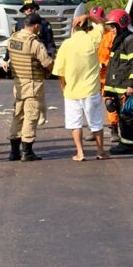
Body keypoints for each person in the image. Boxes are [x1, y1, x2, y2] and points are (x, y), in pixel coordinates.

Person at [52, 9, 106, 162]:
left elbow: (59, 72)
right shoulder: (92, 39)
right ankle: (100, 151)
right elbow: (102, 23)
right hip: (91, 90)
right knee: (96, 122)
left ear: (73, 29)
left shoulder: (66, 45)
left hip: (71, 93)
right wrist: (88, 16)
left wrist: (64, 88)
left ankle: (80, 153)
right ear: (87, 28)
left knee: (75, 124)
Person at [5, 10, 53, 159]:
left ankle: (14, 152)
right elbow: (47, 63)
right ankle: (27, 151)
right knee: (31, 116)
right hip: (33, 84)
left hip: (18, 84)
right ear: (37, 26)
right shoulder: (34, 43)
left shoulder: (13, 39)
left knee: (17, 115)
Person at [102, 7, 133, 153]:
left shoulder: (132, 40)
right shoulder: (119, 41)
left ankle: (127, 146)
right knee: (123, 117)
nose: (112, 30)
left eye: (113, 26)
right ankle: (125, 144)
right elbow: (113, 68)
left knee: (129, 118)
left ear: (121, 24)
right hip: (120, 89)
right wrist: (108, 91)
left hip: (132, 90)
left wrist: (132, 86)